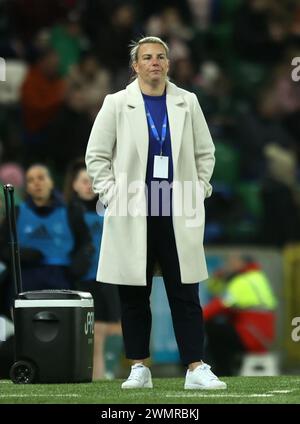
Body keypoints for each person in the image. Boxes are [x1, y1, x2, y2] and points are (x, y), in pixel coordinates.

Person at [85, 36, 226, 390]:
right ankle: (138, 367)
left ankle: (195, 367)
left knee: (185, 291)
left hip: (176, 207)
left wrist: (200, 190)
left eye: (161, 56)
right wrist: (111, 194)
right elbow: (97, 156)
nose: (154, 62)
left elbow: (205, 153)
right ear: (135, 66)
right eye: (147, 57)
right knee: (134, 292)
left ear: (168, 63)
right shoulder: (117, 103)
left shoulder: (187, 102)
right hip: (133, 207)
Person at [64, 159, 123, 380]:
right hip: (87, 278)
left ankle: (108, 372)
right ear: (74, 185)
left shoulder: (109, 207)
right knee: (96, 332)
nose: (88, 185)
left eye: (92, 181)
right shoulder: (69, 213)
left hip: (111, 274)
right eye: (83, 181)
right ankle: (98, 376)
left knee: (117, 326)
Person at [0, 164, 93, 299]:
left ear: (51, 182)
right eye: (31, 180)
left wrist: (79, 264)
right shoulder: (16, 213)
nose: (37, 183)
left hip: (61, 281)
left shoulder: (71, 213)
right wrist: (18, 254)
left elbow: (85, 243)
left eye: (41, 178)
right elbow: (3, 248)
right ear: (27, 187)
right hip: (24, 280)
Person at [203, 255, 278, 376]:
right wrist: (218, 277)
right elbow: (214, 290)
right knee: (221, 328)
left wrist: (197, 318)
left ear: (242, 264)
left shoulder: (242, 281)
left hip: (252, 334)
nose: (227, 267)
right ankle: (225, 368)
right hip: (261, 334)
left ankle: (223, 372)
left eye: (232, 263)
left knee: (214, 329)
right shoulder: (255, 276)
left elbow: (219, 304)